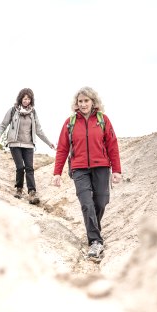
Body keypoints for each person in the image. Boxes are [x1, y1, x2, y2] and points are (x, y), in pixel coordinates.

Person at [52, 86, 121, 259]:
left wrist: (117, 170)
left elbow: (112, 145)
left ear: (93, 102)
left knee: (102, 201)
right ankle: (95, 241)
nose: (83, 104)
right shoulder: (70, 122)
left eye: (86, 101)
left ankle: (93, 228)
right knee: (86, 203)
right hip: (79, 168)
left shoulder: (102, 119)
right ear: (76, 103)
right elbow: (62, 148)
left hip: (101, 167)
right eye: (80, 101)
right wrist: (57, 172)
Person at [0, 88, 55, 204]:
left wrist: (49, 143)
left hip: (28, 145)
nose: (26, 101)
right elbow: (3, 124)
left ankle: (32, 193)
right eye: (24, 98)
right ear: (20, 98)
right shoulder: (13, 110)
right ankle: (19, 189)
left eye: (28, 99)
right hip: (15, 143)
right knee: (20, 167)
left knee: (29, 168)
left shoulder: (33, 112)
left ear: (31, 100)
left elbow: (39, 130)